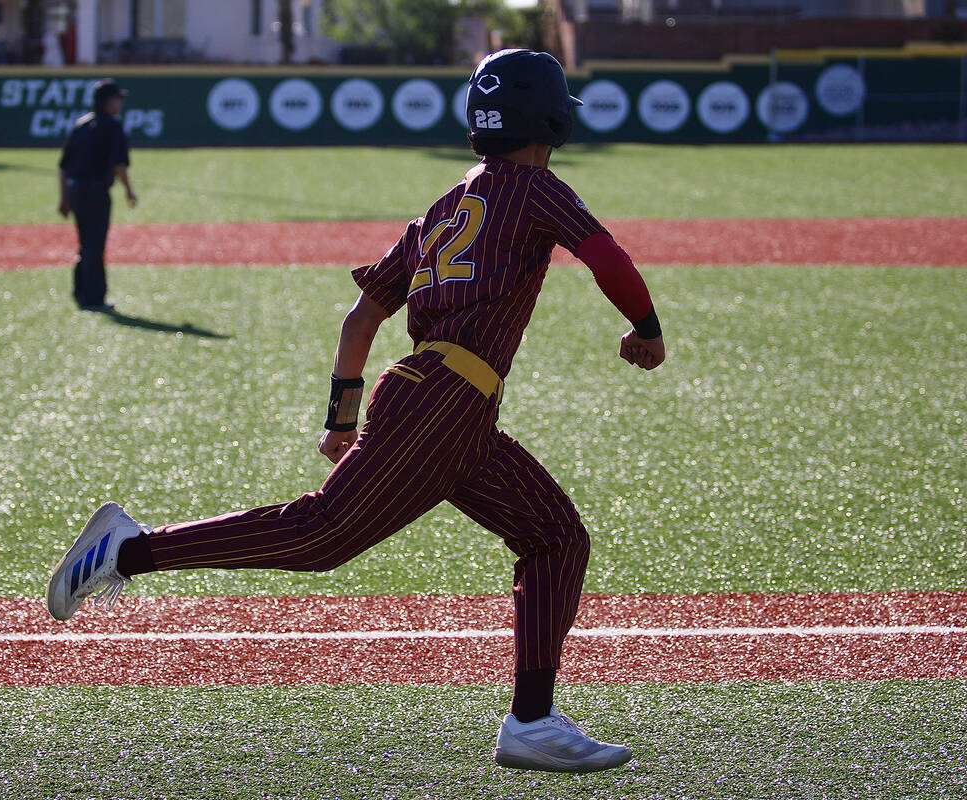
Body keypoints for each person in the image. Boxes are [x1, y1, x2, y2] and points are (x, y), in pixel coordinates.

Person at [47, 49, 665, 774]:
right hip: (447, 402)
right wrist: (647, 328)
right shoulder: (535, 187)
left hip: (445, 402)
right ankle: (127, 549)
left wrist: (341, 417)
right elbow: (607, 257)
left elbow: (360, 319)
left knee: (556, 537)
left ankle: (532, 720)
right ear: (551, 116)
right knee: (321, 536)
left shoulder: (442, 210)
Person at [57, 79, 138, 312]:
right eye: (118, 99)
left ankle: (81, 293)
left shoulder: (81, 124)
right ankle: (93, 299)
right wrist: (129, 190)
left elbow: (63, 166)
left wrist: (64, 197)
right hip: (95, 191)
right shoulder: (112, 126)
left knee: (85, 243)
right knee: (94, 244)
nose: (120, 103)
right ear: (108, 101)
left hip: (75, 190)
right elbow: (120, 164)